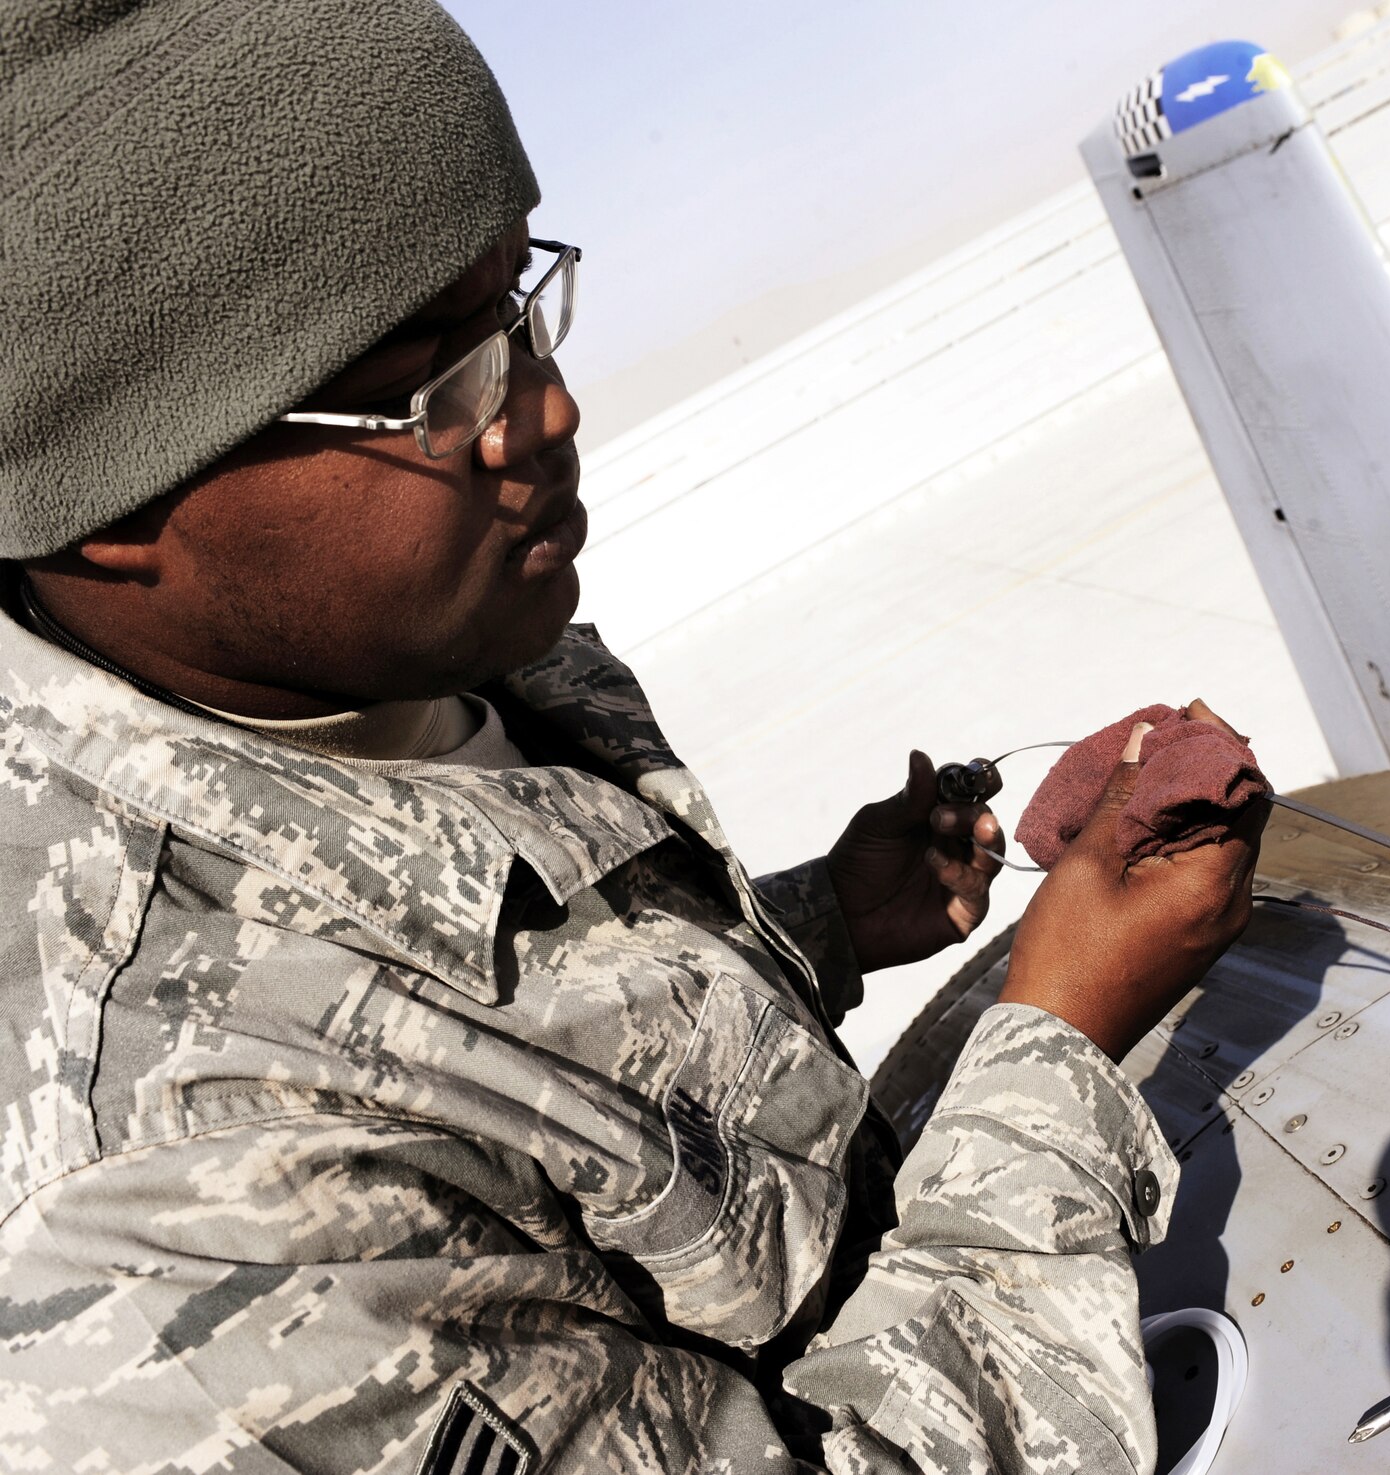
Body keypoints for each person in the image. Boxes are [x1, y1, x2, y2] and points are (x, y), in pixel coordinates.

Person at [0, 3, 1264, 1471]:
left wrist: (822, 929)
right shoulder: (177, 1233)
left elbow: (528, 1075)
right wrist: (1057, 1044)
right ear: (112, 516)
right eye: (432, 384)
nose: (543, 410)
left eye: (519, 306)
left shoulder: (437, 639)